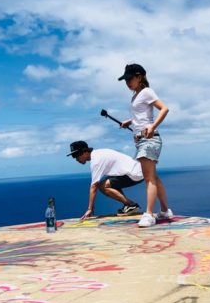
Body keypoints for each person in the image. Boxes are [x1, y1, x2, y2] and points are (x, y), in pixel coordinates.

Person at [118, 63, 173, 227]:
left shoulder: (146, 92)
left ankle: (149, 215)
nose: (127, 82)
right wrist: (130, 121)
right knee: (153, 177)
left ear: (139, 76)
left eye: (130, 78)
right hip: (141, 140)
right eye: (125, 79)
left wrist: (153, 126)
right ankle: (164, 211)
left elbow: (164, 108)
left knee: (148, 179)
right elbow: (142, 115)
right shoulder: (135, 96)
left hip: (149, 139)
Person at [67, 140, 144, 220]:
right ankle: (129, 205)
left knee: (103, 186)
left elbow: (94, 186)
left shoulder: (96, 161)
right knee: (106, 181)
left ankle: (130, 205)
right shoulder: (98, 154)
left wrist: (90, 208)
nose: (76, 159)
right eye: (74, 156)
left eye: (77, 155)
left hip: (135, 174)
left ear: (85, 151)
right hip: (137, 171)